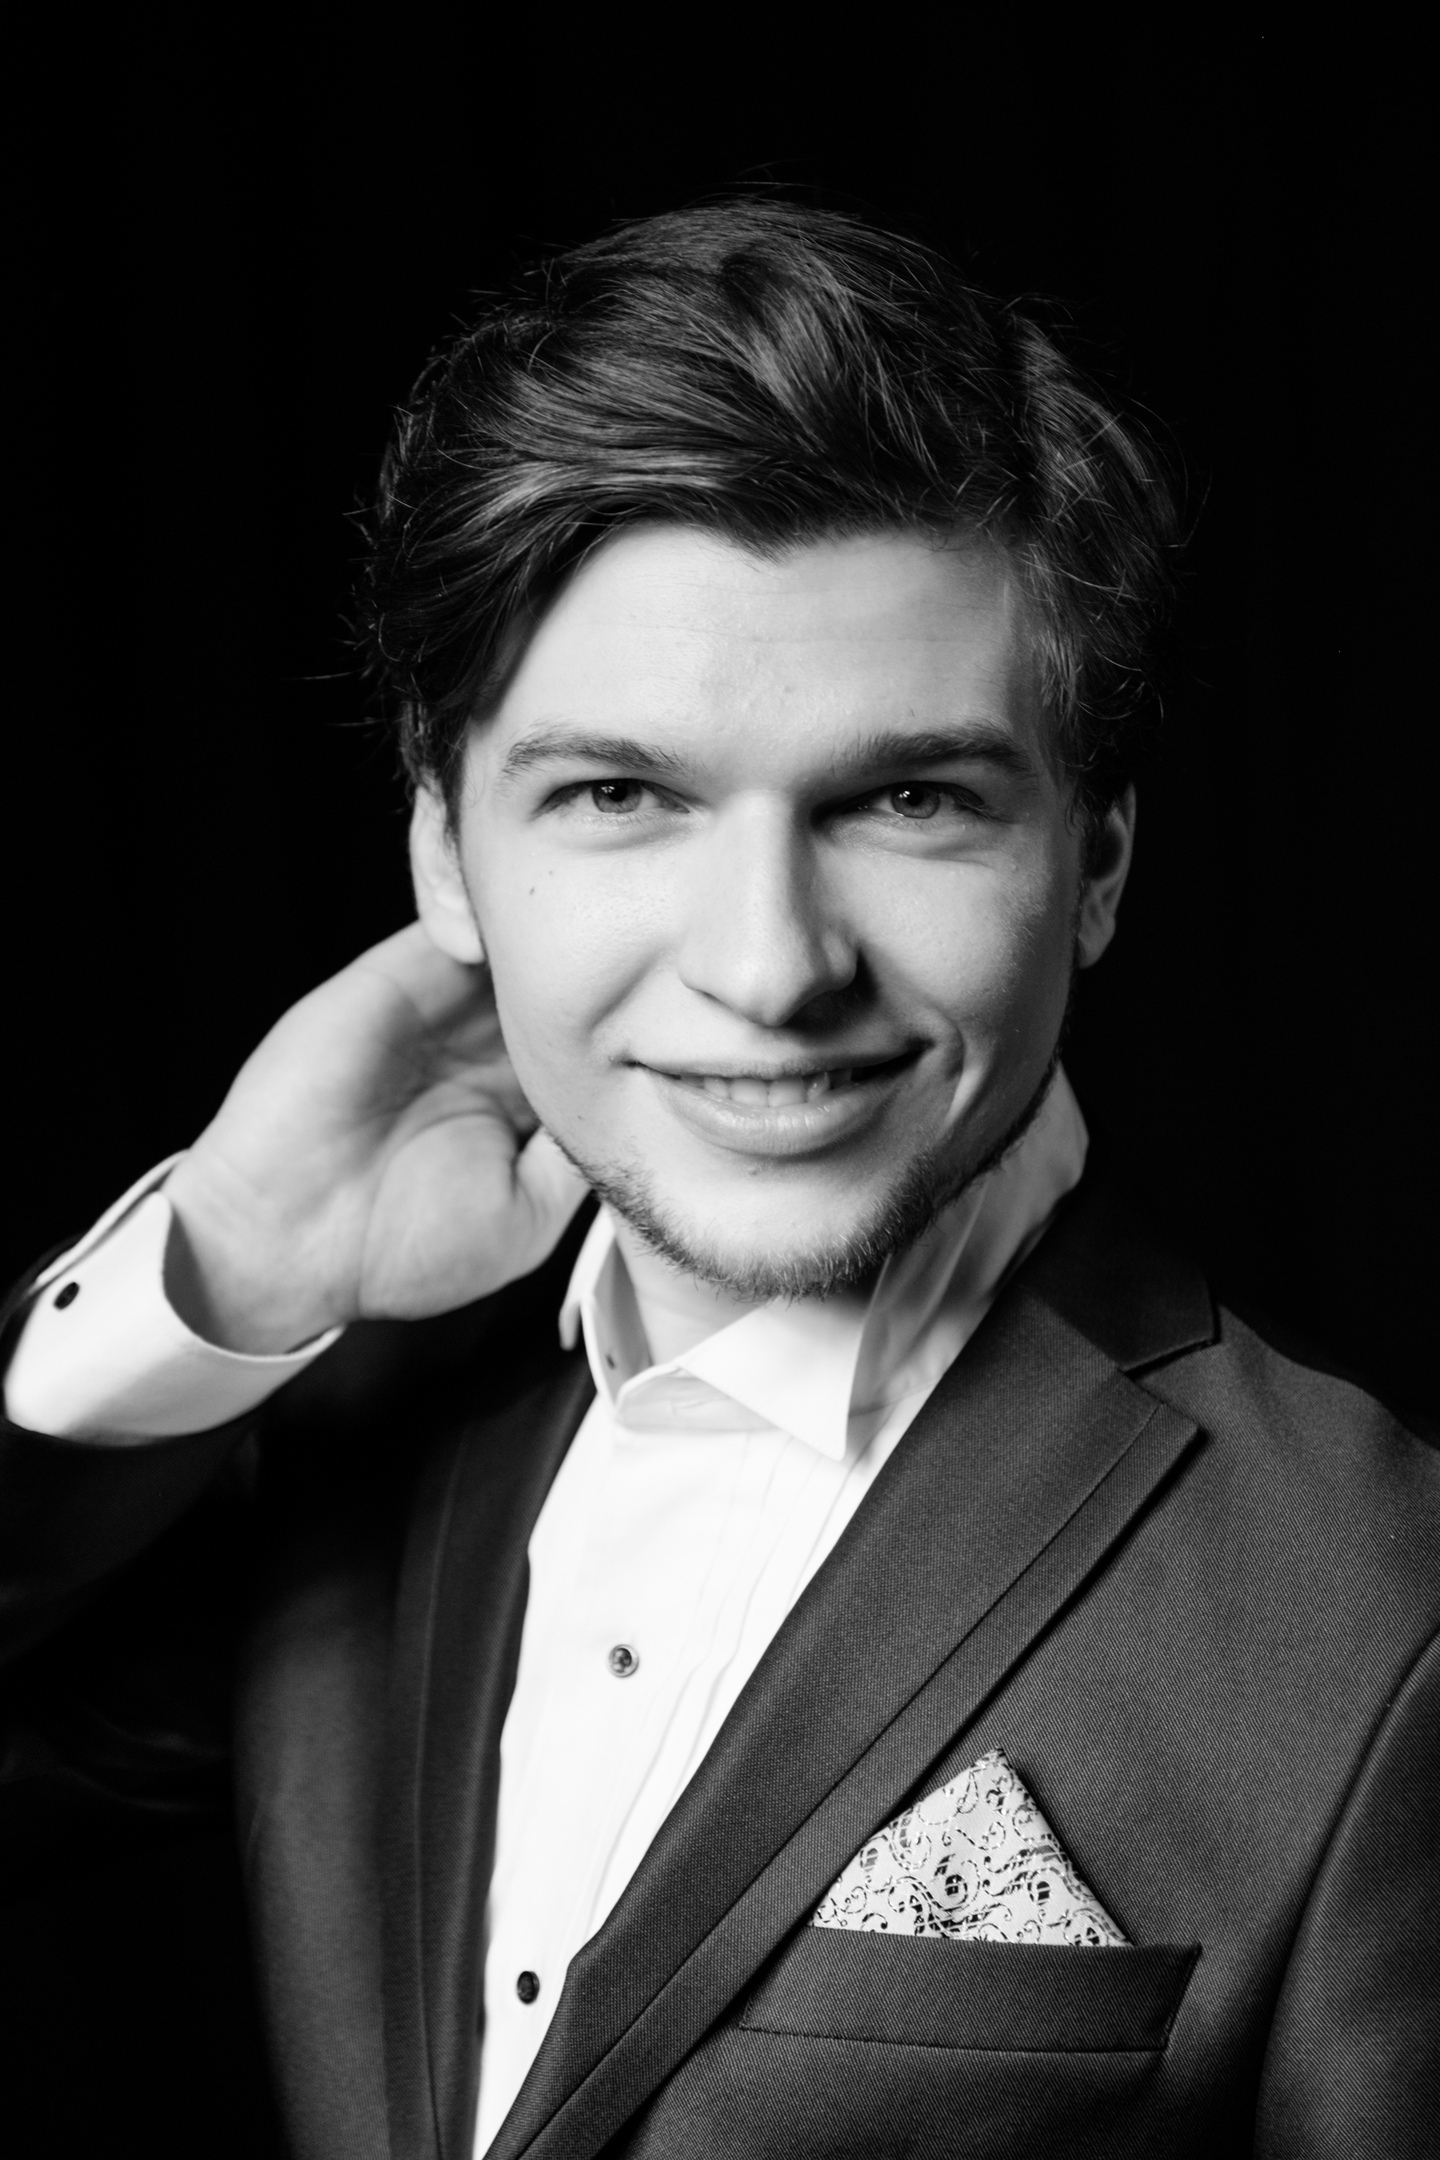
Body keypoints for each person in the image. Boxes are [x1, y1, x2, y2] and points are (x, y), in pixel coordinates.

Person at [1, 200, 1434, 2160]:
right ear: (442, 850)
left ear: (1098, 858)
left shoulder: (1383, 1614)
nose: (769, 967)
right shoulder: (341, 1455)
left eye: (909, 798)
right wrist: (228, 1273)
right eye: (622, 795)